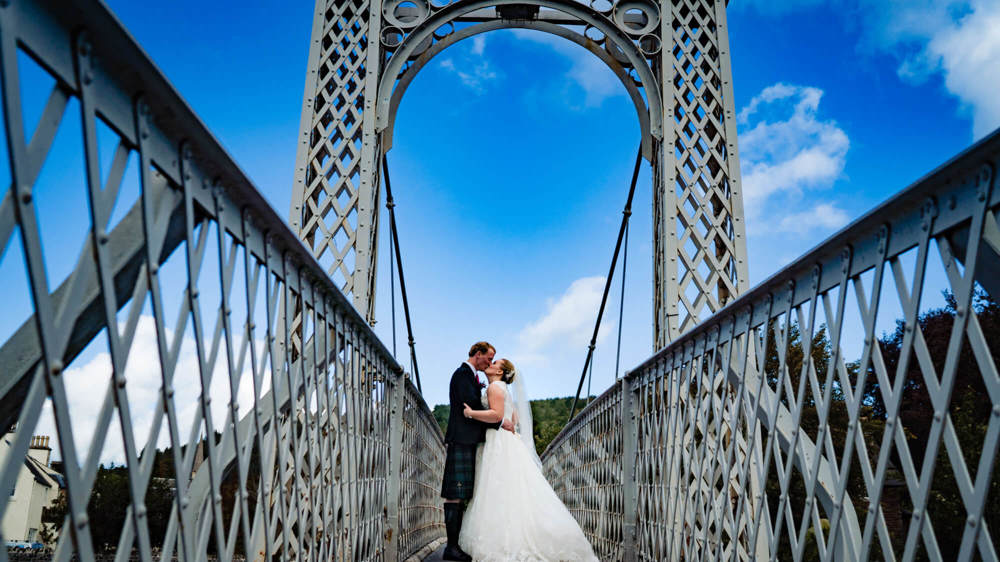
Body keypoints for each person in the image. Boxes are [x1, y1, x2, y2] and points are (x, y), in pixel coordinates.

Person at [459, 358, 599, 561]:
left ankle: (504, 540)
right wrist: (505, 423)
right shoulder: (503, 389)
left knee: (498, 488)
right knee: (513, 489)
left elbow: (496, 416)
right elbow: (513, 419)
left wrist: (471, 413)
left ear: (500, 371)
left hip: (498, 442)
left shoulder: (494, 389)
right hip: (508, 441)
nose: (490, 363)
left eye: (495, 362)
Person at [441, 342, 514, 562]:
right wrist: (500, 422)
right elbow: (470, 407)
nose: (490, 362)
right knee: (455, 494)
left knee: (463, 493)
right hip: (461, 440)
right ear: (478, 354)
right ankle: (451, 548)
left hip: (470, 441)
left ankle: (455, 546)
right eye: (489, 358)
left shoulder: (472, 376)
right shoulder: (463, 375)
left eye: (493, 361)